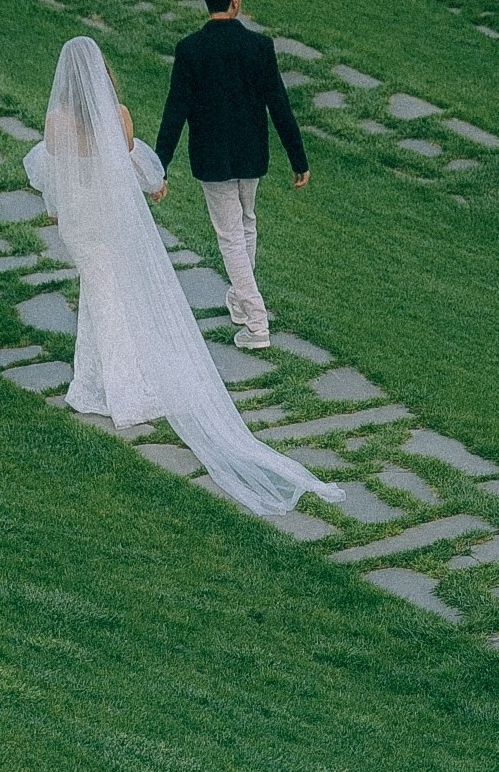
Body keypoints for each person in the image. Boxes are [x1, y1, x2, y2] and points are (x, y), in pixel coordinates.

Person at [22, 36, 338, 520]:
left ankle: (98, 381)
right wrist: (154, 182)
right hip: (107, 216)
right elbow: (130, 165)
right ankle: (112, 383)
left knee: (99, 292)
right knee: (107, 295)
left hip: (80, 221)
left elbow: (52, 168)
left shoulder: (55, 122)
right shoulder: (119, 115)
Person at [152, 0, 309, 353]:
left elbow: (176, 111)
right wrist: (298, 158)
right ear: (236, 1)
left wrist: (159, 166)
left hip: (212, 158)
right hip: (251, 153)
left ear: (207, 1)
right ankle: (242, 302)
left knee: (231, 236)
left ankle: (256, 322)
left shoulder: (190, 50)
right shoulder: (259, 47)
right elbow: (280, 106)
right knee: (245, 225)